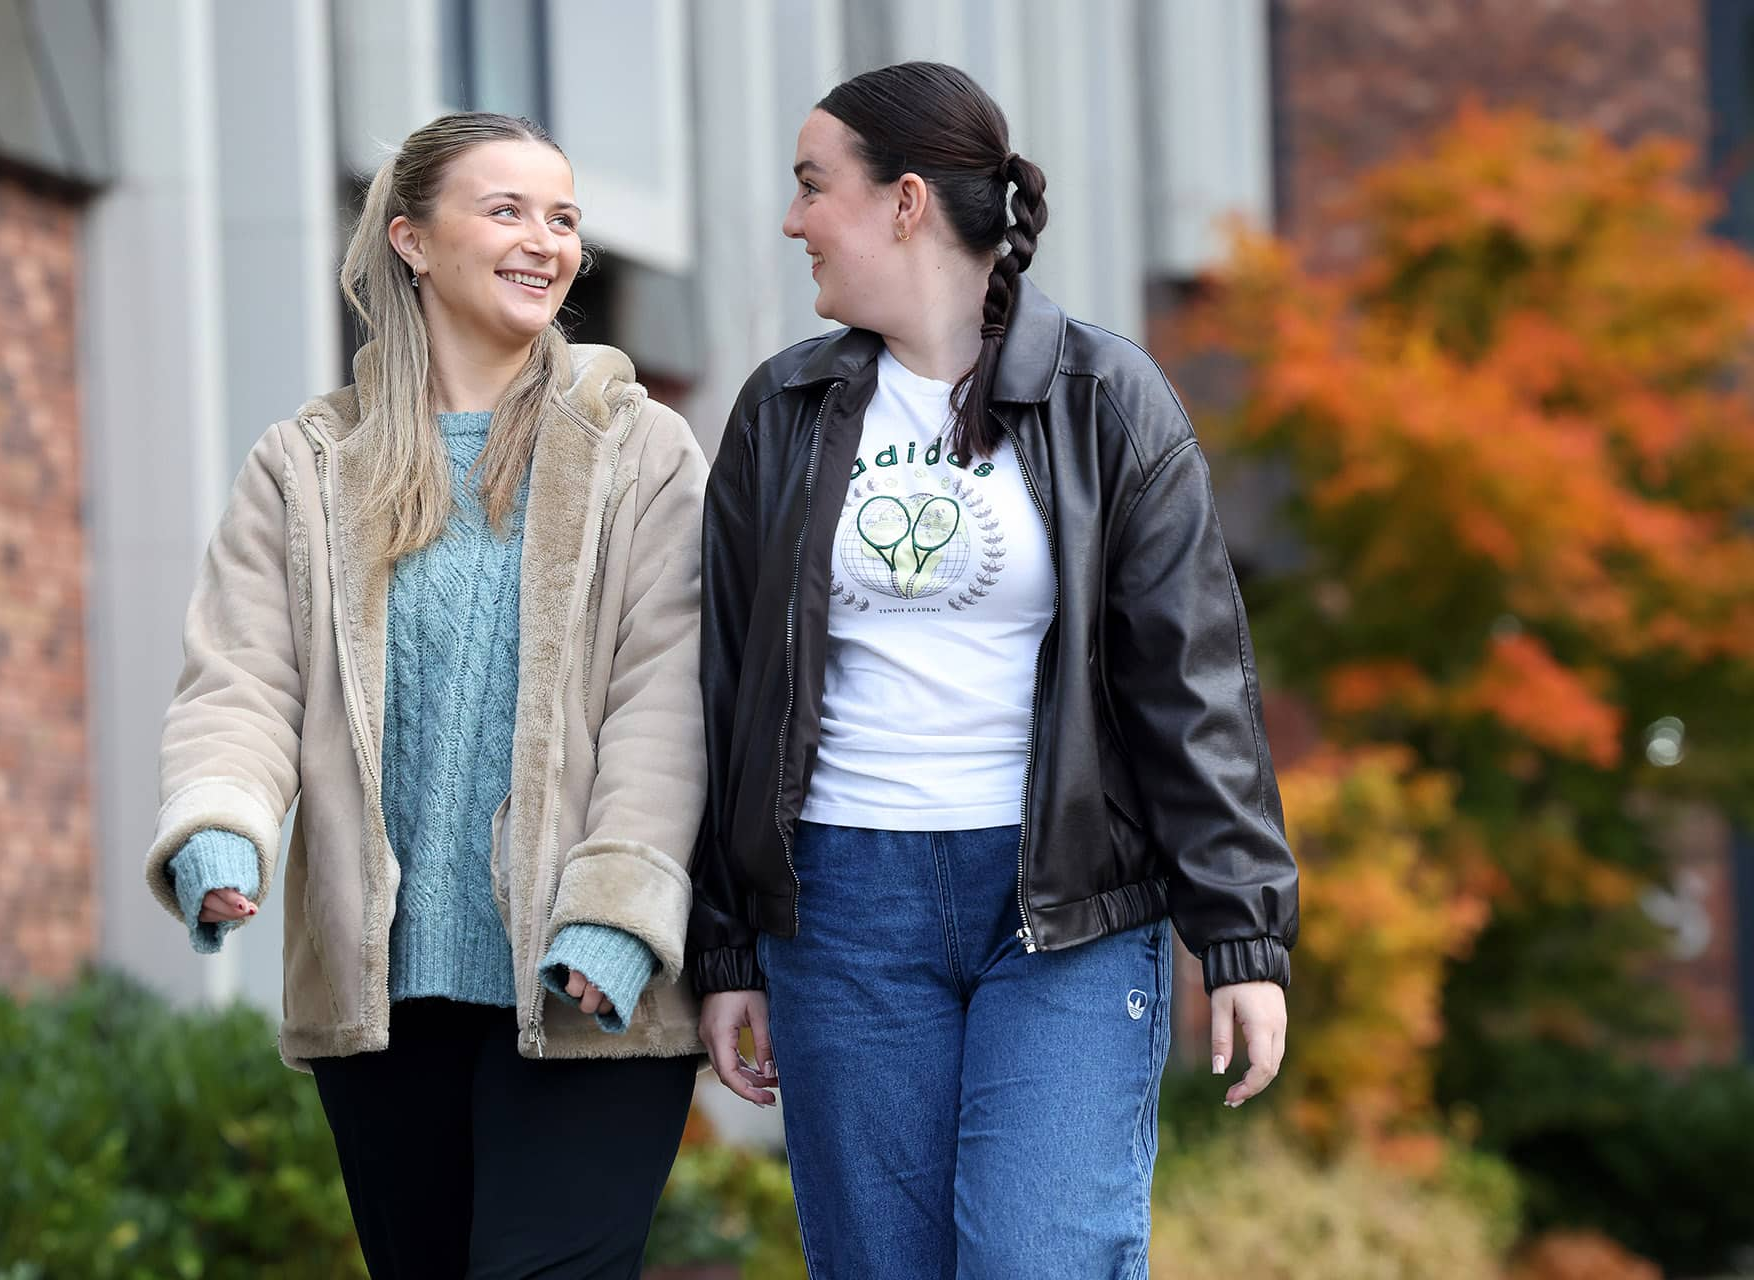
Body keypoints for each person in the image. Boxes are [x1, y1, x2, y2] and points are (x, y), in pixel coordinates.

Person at [690, 62, 1299, 1278]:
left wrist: (1241, 929)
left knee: (1041, 1255)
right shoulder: (783, 411)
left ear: (905, 201)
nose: (793, 217)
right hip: (843, 905)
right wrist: (727, 948)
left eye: (816, 186)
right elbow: (730, 691)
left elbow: (1192, 680)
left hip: (1062, 904)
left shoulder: (1105, 398)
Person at [143, 111, 708, 1279]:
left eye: (563, 218)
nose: (545, 241)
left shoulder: (637, 450)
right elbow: (241, 675)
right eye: (506, 210)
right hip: (383, 994)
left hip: (585, 984)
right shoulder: (307, 464)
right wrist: (220, 823)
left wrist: (619, 905)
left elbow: (674, 696)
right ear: (410, 238)